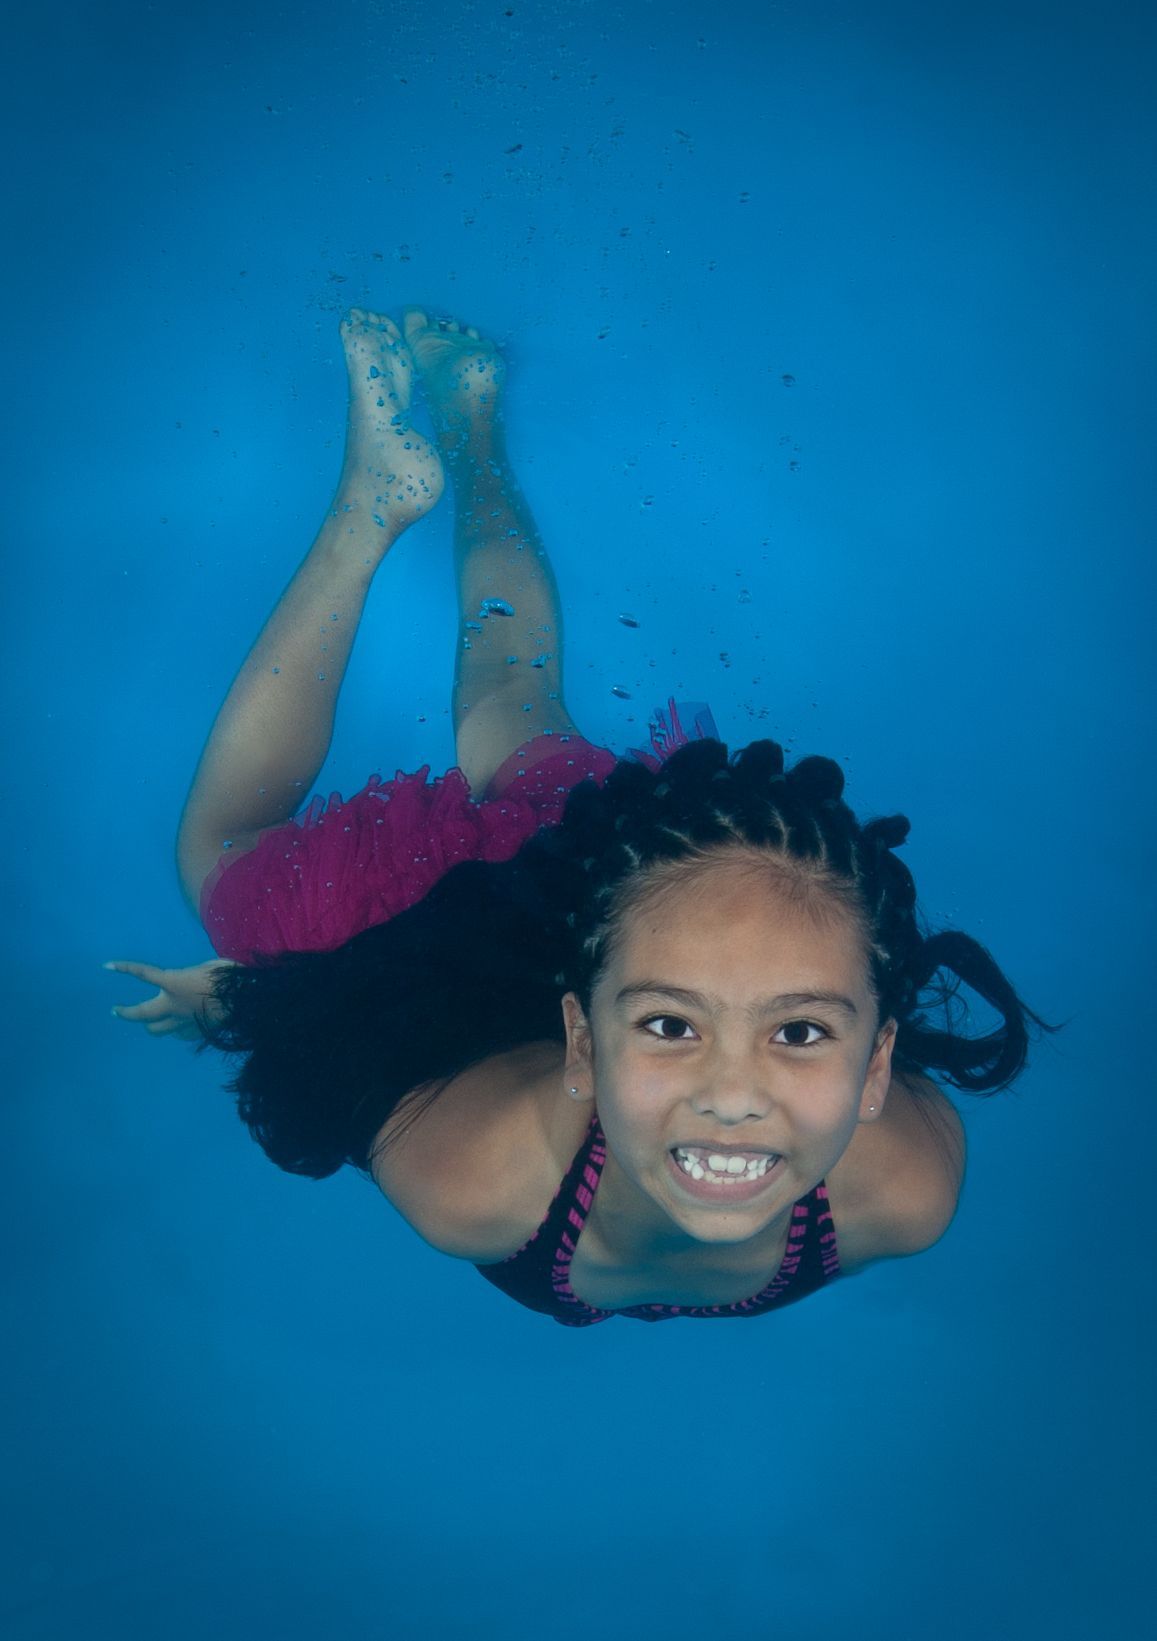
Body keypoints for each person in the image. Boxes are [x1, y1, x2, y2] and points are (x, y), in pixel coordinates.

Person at [106, 306, 1060, 1326]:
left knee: (511, 700)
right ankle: (368, 509)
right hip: (512, 915)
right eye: (668, 1027)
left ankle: (468, 412)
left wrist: (255, 1003)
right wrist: (248, 996)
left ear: (876, 1063)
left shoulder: (907, 1193)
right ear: (577, 1041)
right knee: (221, 851)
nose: (729, 1096)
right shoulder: (472, 1181)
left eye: (797, 1032)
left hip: (628, 891)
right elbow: (330, 1029)